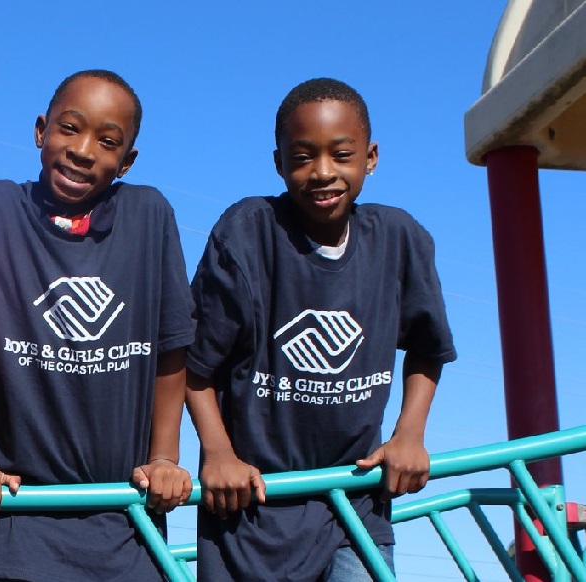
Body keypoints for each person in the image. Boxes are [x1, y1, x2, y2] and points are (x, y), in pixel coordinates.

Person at [186, 77, 456, 581]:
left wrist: (409, 434)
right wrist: (218, 453)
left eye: (342, 154)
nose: (324, 171)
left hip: (354, 502)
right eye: (303, 156)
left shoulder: (398, 239)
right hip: (250, 507)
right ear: (278, 162)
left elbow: (429, 347)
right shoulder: (247, 233)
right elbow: (193, 365)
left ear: (371, 157)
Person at [0, 69, 195, 582]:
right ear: (41, 130)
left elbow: (172, 346)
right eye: (70, 128)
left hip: (125, 521)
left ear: (127, 161)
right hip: (8, 518)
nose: (83, 151)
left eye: (107, 142)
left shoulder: (148, 215)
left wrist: (165, 457)